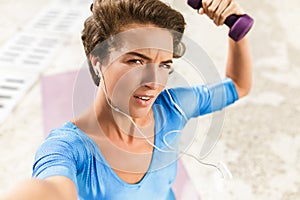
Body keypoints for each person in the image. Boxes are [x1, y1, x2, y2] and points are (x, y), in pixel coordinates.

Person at [4, 0, 252, 199]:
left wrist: (237, 29)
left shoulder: (173, 109)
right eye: (136, 61)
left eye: (164, 65)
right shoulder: (67, 149)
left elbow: (238, 86)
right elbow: (49, 189)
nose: (154, 81)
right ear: (97, 61)